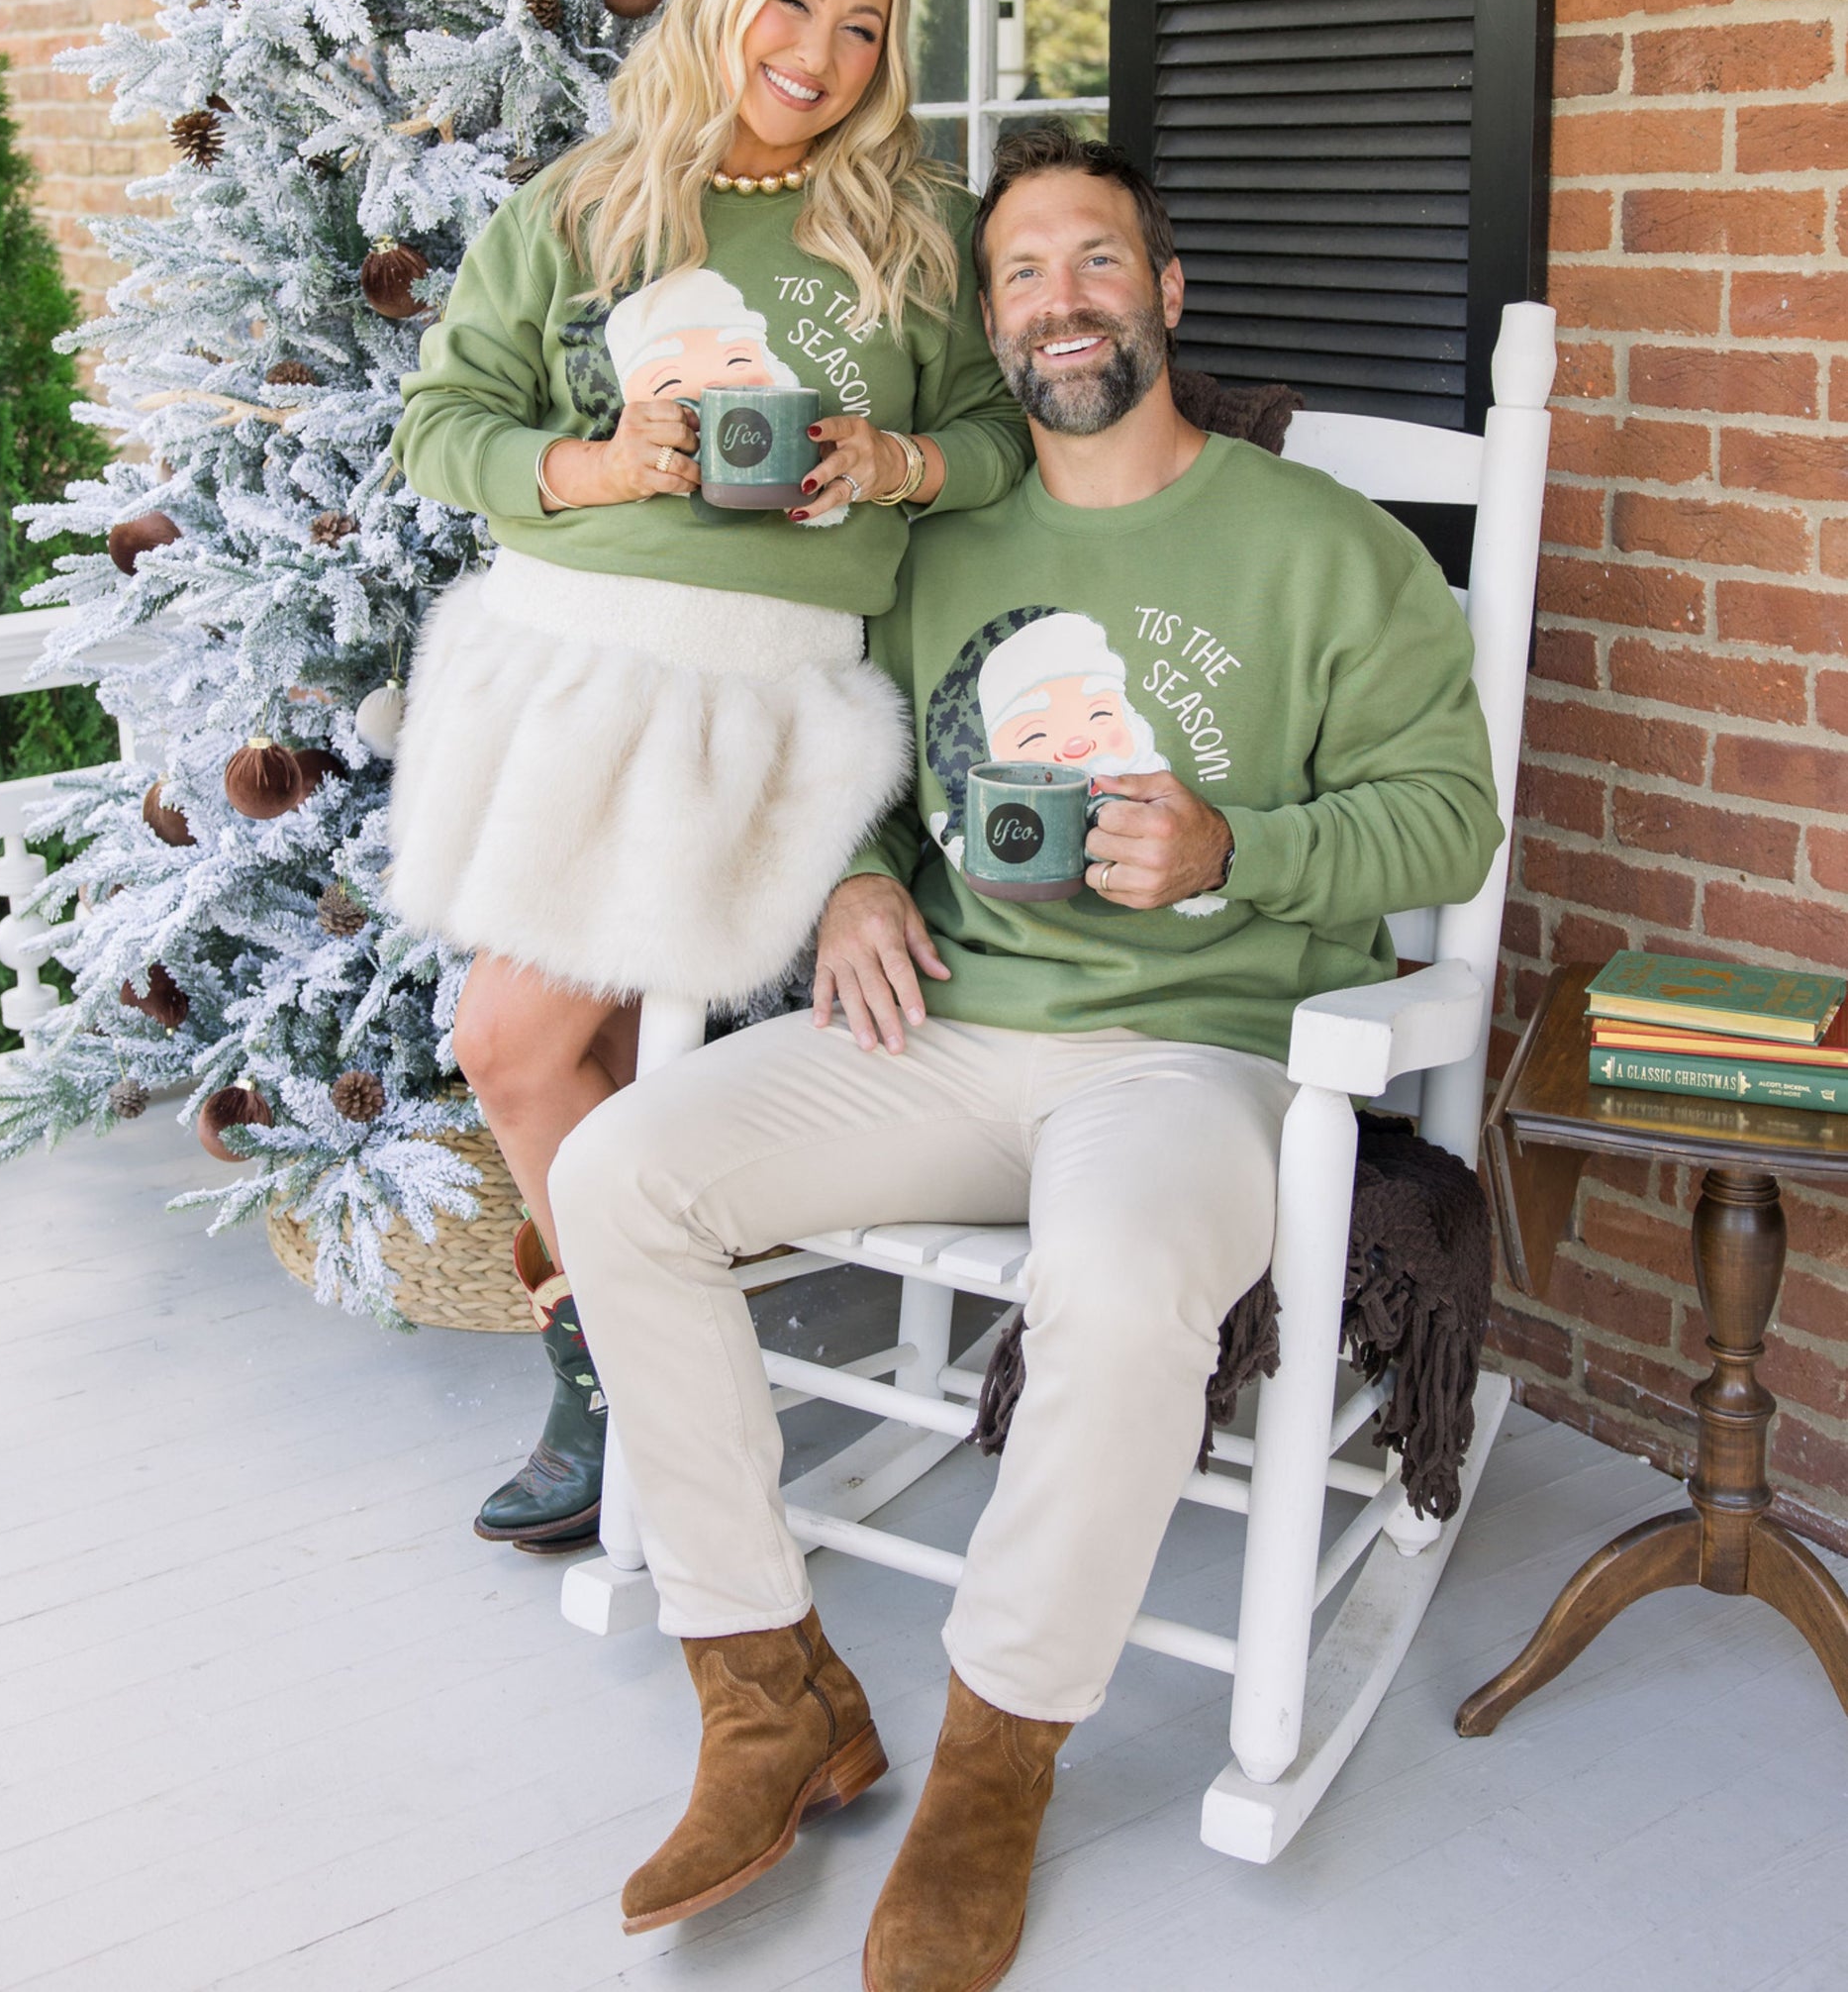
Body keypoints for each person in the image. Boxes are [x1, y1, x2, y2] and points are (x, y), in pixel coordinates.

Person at [549, 120, 1504, 1992]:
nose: (1055, 303)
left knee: (1124, 1272)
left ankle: (995, 1759)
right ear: (990, 327)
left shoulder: (1323, 546)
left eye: (1089, 262)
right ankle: (768, 1693)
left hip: (1197, 1061)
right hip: (952, 1033)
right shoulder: (940, 538)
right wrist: (848, 883)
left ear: (1163, 293)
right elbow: (860, 769)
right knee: (617, 1172)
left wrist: (1245, 851)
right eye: (1017, 276)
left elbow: (1448, 824)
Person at [387, 0, 1031, 1551]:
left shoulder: (914, 230)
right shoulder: (583, 207)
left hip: (762, 699)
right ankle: (626, 1367)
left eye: (863, 23)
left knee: (511, 1042)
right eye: (792, 1)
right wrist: (592, 461)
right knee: (544, 1043)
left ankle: (629, 1368)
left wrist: (897, 459)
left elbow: (1002, 441)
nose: (819, 51)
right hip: (580, 669)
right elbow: (444, 426)